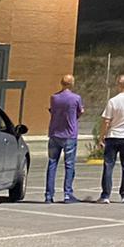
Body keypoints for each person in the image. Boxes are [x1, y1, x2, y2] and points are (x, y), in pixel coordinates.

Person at [45, 73, 85, 203]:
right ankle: (68, 193)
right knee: (69, 165)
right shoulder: (76, 98)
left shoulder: (54, 97)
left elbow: (53, 111)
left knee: (52, 164)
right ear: (72, 84)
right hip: (69, 134)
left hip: (55, 133)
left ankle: (49, 195)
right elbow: (80, 112)